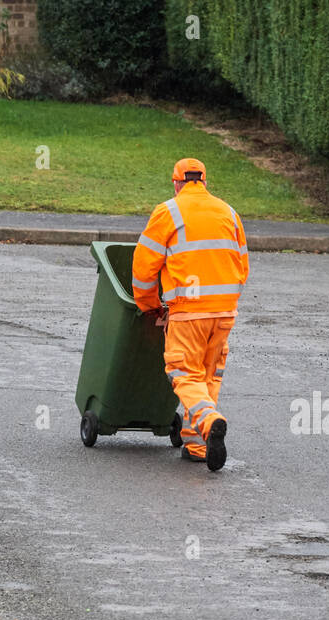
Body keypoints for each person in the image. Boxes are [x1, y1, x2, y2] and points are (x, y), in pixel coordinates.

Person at [131, 158, 249, 471]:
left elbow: (144, 267)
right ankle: (197, 445)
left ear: (176, 183)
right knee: (209, 374)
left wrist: (148, 304)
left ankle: (209, 421)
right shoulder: (229, 213)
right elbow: (242, 265)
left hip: (187, 310)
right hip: (224, 311)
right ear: (205, 182)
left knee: (183, 372)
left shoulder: (168, 212)